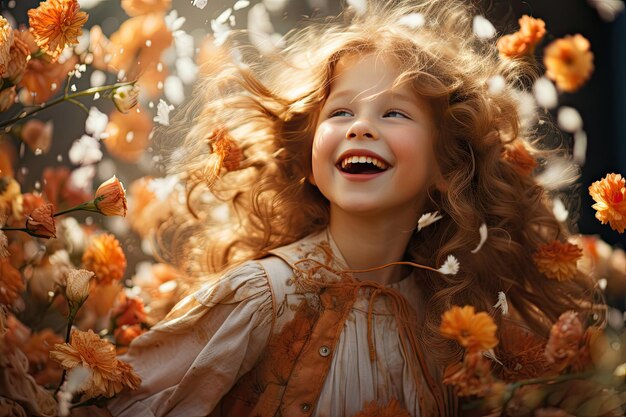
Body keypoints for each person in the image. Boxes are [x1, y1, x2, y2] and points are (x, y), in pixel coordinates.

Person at [107, 0, 598, 415]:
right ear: (307, 155)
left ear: (448, 164)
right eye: (341, 112)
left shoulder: (450, 321)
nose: (361, 127)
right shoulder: (262, 297)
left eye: (393, 113)